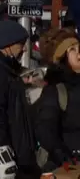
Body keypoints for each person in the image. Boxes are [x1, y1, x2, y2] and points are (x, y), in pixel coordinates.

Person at [0, 20, 40, 178]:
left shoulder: (6, 68)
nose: (24, 49)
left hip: (19, 152)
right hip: (7, 156)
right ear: (8, 44)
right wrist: (2, 151)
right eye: (20, 44)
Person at [35, 28, 80, 170]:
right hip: (66, 166)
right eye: (72, 49)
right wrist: (65, 158)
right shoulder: (56, 89)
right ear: (61, 57)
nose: (79, 53)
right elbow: (46, 131)